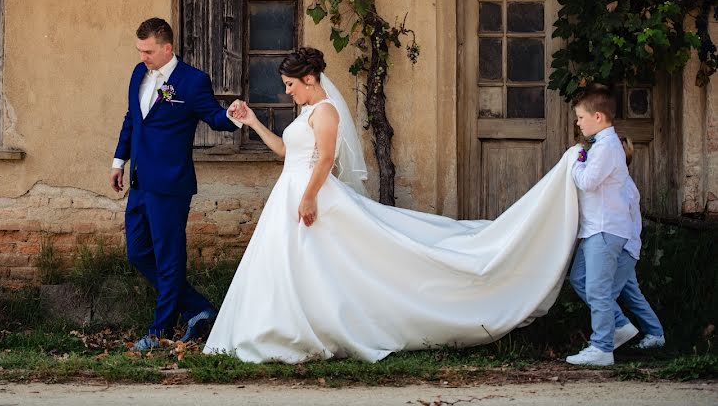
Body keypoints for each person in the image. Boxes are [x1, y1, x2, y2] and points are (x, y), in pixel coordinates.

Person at [204, 47, 582, 363]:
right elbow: (287, 152)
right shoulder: (306, 114)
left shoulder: (326, 112)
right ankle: (283, 325)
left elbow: (325, 159)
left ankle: (321, 326)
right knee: (290, 265)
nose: (287, 92)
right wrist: (252, 121)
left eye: (290, 85)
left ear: (309, 79)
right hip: (290, 192)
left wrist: (308, 197)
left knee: (333, 262)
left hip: (310, 194)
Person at [110, 18, 244, 351]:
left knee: (169, 259)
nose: (143, 57)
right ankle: (198, 308)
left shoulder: (192, 80)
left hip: (171, 184)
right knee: (138, 252)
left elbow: (212, 116)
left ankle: (160, 332)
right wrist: (119, 161)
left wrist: (232, 116)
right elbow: (133, 120)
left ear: (167, 48)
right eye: (140, 50)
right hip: (140, 181)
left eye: (149, 51)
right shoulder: (138, 75)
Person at [565, 85, 639, 366]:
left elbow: (587, 182)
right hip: (595, 228)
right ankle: (618, 326)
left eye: (581, 117)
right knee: (580, 279)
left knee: (597, 288)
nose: (578, 122)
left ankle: (602, 348)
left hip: (605, 229)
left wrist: (574, 162)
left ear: (598, 117)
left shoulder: (607, 147)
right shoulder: (601, 146)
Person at [615, 140, 666, 350]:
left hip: (624, 248)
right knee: (632, 294)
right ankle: (655, 333)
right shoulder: (620, 183)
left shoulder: (624, 186)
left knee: (603, 293)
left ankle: (614, 332)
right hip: (626, 247)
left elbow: (619, 219)